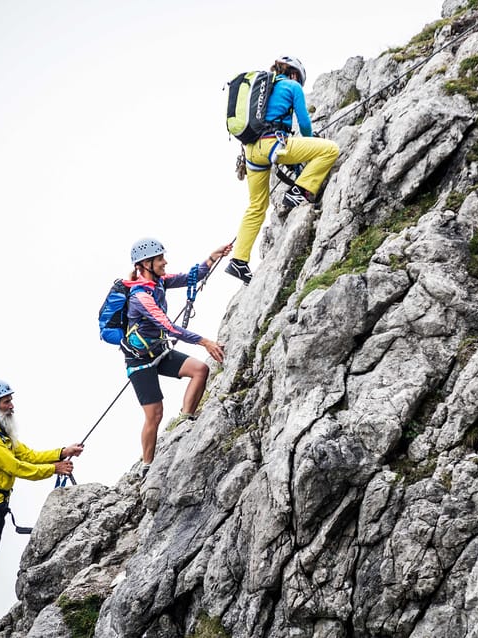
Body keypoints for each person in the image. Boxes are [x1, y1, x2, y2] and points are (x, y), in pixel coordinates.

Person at [0, 379, 84, 637]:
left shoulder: (1, 435)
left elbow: (28, 455)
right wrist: (54, 469)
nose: (11, 406)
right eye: (6, 402)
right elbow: (17, 467)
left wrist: (62, 452)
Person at [226, 55, 340, 286]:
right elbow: (305, 124)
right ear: (296, 74)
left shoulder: (263, 89)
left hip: (251, 152)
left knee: (257, 205)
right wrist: (310, 143)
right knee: (329, 149)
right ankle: (299, 192)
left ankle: (238, 260)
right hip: (273, 144)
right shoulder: (292, 86)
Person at [122, 238, 228, 478]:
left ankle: (185, 421)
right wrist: (205, 342)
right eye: (160, 259)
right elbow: (168, 327)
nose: (165, 262)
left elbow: (193, 277)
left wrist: (213, 256)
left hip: (159, 350)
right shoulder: (141, 297)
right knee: (155, 414)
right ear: (145, 264)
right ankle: (147, 467)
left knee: (200, 370)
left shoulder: (159, 281)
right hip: (139, 361)